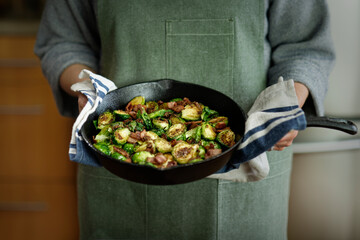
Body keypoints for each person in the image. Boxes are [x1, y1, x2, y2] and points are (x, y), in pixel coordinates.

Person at [34, 0, 335, 239]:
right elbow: (63, 42)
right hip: (120, 179)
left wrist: (282, 109)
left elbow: (304, 47)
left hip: (246, 170)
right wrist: (89, 91)